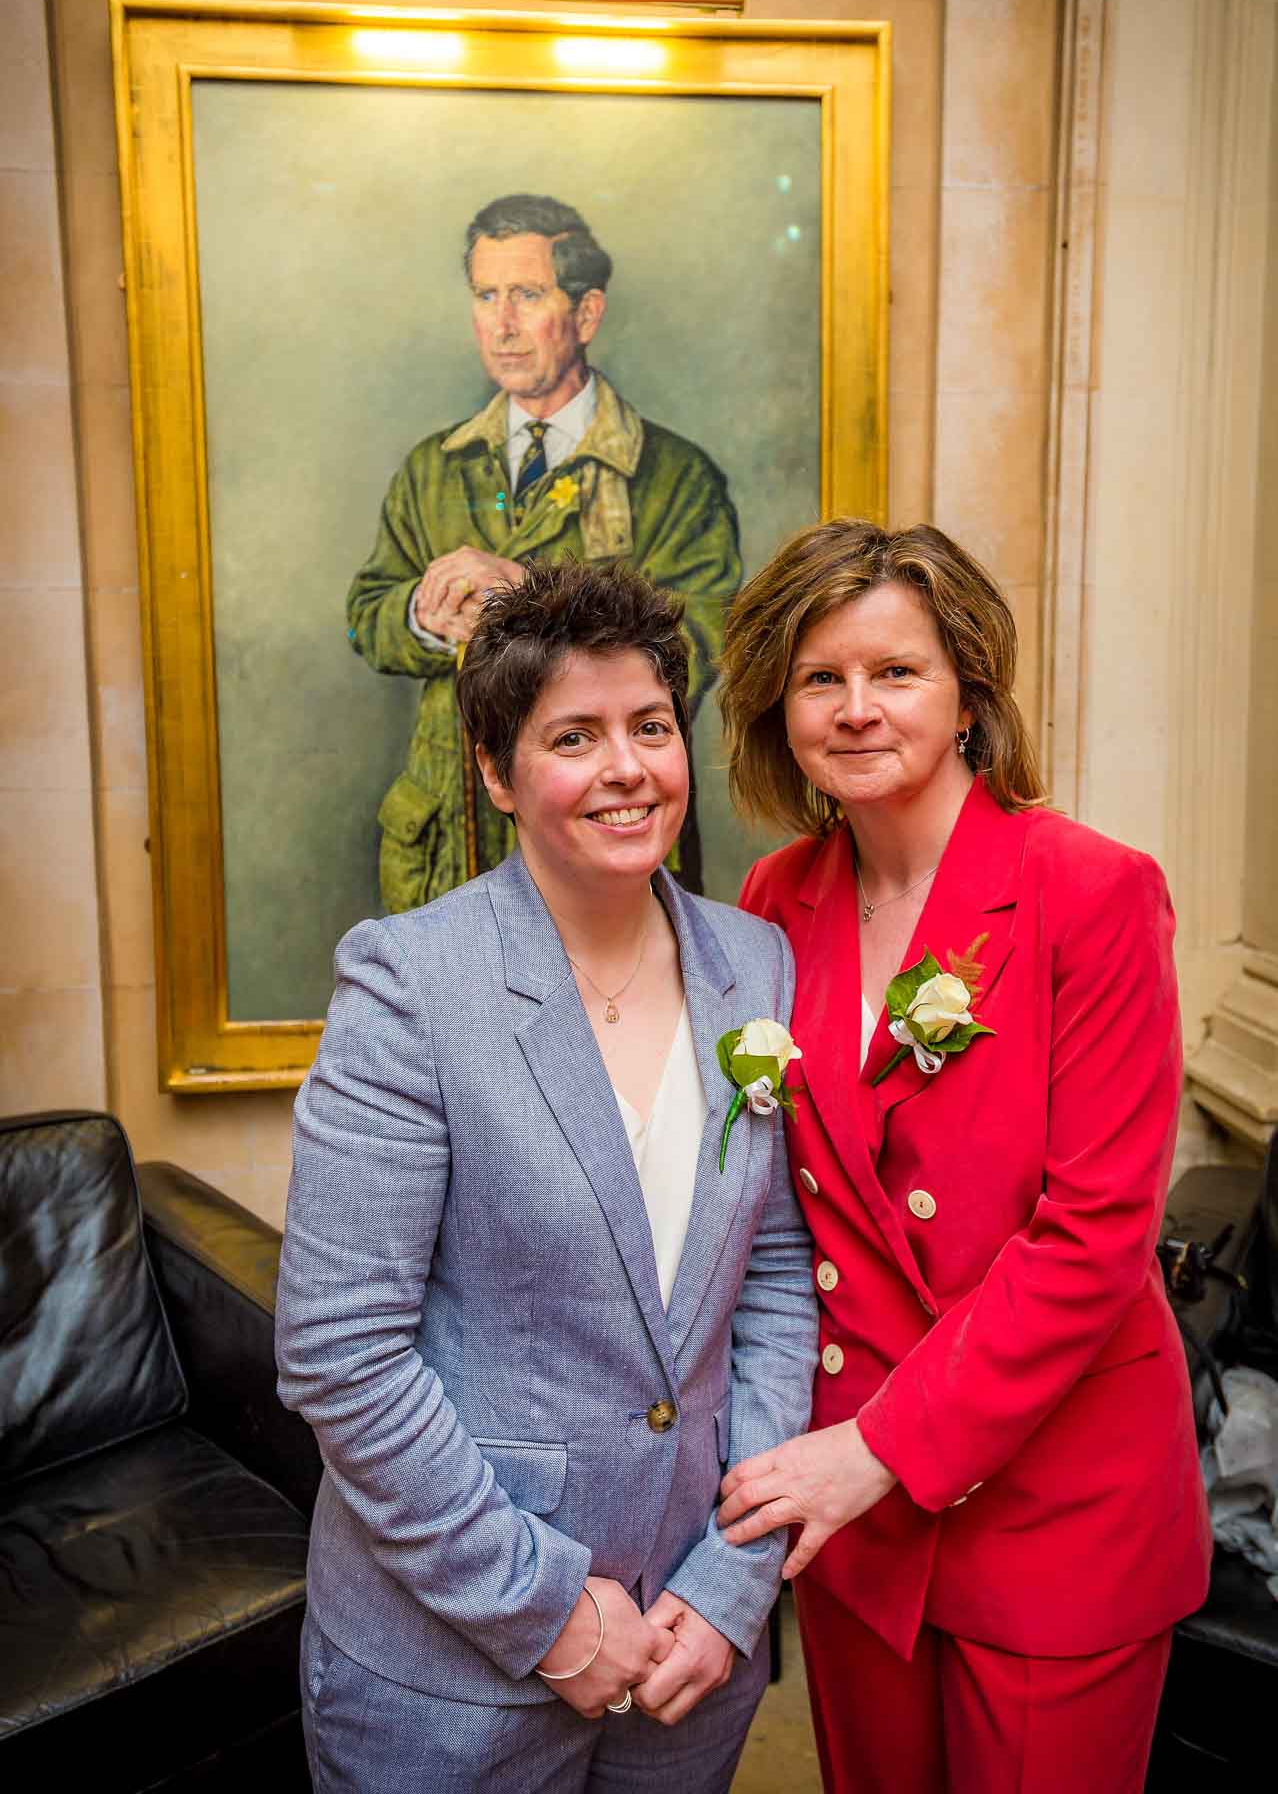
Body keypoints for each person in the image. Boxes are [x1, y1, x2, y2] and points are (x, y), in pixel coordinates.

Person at [277, 559, 817, 1792]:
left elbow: (776, 1279)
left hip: (689, 1645)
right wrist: (549, 1611)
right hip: (457, 1663)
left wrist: (734, 1579)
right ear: (495, 770)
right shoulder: (410, 984)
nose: (627, 768)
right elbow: (339, 1352)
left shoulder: (759, 967)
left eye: (651, 727)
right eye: (574, 736)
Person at [712, 519, 1212, 1794]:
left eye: (897, 672)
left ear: (970, 696)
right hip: (858, 1517)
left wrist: (872, 1449)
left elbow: (1094, 1236)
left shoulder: (1088, 890)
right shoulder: (776, 896)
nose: (857, 709)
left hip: (1050, 1498)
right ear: (781, 708)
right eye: (821, 678)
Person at [346, 193, 742, 912]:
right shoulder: (431, 469)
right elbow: (367, 613)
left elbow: (700, 644)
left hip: (607, 841)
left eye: (527, 295)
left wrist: (527, 596)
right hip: (450, 845)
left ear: (587, 313)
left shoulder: (676, 477)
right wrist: (424, 614)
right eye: (486, 295)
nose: (502, 324)